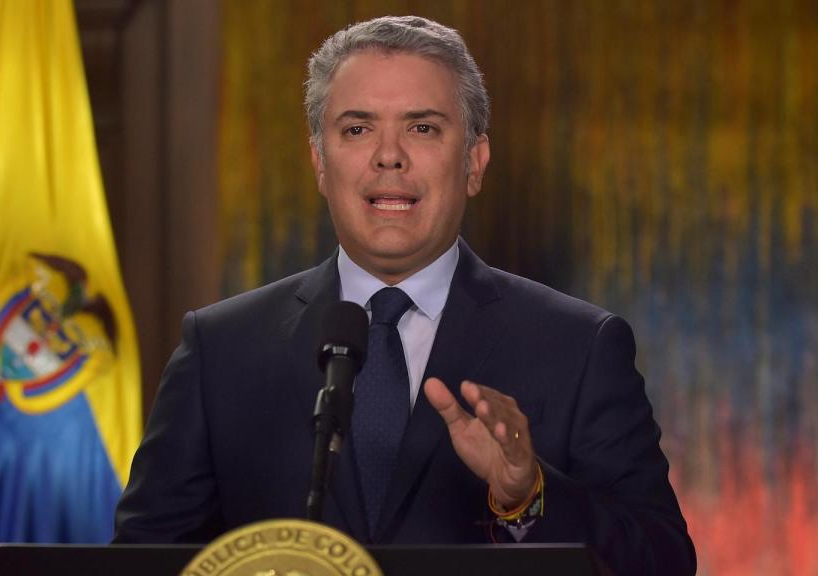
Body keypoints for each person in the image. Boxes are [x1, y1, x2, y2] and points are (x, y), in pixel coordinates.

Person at [114, 15, 696, 575]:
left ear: (473, 162)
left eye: (422, 128)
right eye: (357, 128)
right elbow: (141, 563)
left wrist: (529, 495)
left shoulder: (579, 346)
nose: (388, 156)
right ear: (320, 162)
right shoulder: (221, 350)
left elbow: (663, 562)